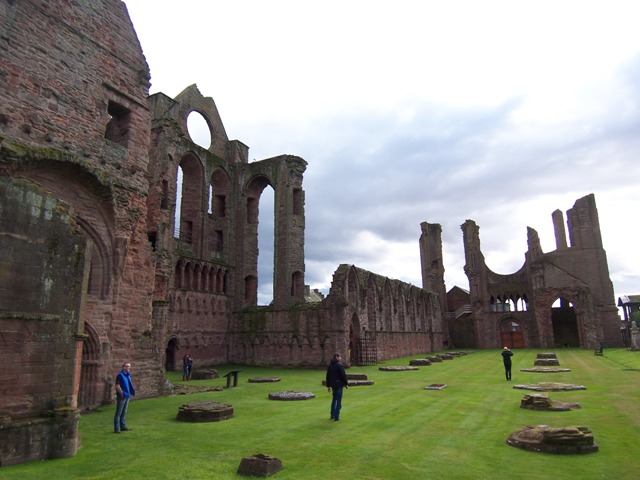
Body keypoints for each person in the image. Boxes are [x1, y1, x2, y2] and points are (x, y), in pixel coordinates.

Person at [325, 353, 349, 421]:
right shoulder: (339, 365)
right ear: (336, 357)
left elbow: (328, 376)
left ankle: (332, 414)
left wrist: (328, 385)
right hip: (339, 385)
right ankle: (336, 416)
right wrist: (346, 383)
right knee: (338, 400)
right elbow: (343, 375)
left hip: (333, 385)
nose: (340, 358)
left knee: (334, 399)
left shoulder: (330, 366)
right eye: (339, 357)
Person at [114, 362, 135, 433]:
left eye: (129, 367)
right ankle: (117, 429)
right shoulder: (120, 375)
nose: (129, 368)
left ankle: (123, 426)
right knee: (119, 413)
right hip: (122, 396)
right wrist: (122, 394)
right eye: (127, 366)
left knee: (124, 412)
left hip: (127, 395)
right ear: (124, 367)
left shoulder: (127, 375)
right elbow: (117, 386)